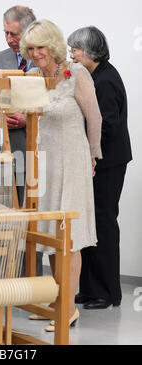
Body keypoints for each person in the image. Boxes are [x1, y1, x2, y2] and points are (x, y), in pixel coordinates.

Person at [19, 20, 103, 330]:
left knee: (69, 239)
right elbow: (17, 110)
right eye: (31, 48)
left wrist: (93, 155)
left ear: (53, 45)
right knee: (52, 236)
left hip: (73, 162)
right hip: (44, 163)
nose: (36, 53)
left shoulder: (76, 73)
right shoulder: (31, 77)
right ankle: (57, 301)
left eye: (41, 47)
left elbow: (94, 118)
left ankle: (68, 308)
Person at [67, 26, 132, 310]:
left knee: (103, 225)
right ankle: (90, 289)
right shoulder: (95, 75)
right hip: (99, 161)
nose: (71, 56)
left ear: (90, 51)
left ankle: (107, 293)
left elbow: (106, 126)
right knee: (90, 227)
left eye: (75, 50)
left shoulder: (104, 81)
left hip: (107, 163)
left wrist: (84, 146)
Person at [0, 5, 36, 207]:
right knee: (5, 211)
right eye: (5, 33)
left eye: (14, 34)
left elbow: (58, 104)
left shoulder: (48, 61)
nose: (9, 40)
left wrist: (28, 120)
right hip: (5, 149)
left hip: (37, 149)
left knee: (34, 209)